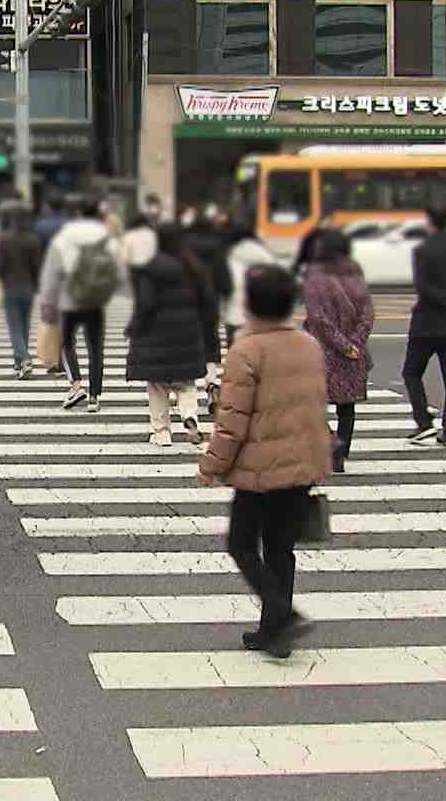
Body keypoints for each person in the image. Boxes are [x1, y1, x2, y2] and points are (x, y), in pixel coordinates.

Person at [198, 264, 331, 659]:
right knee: (280, 548)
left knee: (241, 543)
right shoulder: (308, 345)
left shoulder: (247, 350)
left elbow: (232, 421)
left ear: (250, 305)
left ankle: (282, 616)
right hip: (302, 463)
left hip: (259, 469)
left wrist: (212, 465)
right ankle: (274, 632)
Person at [127, 223, 221, 447]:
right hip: (188, 334)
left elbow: (144, 304)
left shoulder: (150, 268)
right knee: (186, 383)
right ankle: (190, 416)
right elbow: (209, 302)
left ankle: (162, 433)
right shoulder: (193, 266)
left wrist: (134, 328)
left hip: (155, 336)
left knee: (157, 386)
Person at [37, 196, 123, 413]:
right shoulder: (106, 236)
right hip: (95, 301)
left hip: (69, 299)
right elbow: (118, 269)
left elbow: (52, 270)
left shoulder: (66, 235)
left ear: (77, 213)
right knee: (96, 348)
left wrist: (48, 299)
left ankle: (76, 384)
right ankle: (94, 397)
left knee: (66, 343)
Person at [301, 229, 375, 473]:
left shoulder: (314, 276)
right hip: (353, 353)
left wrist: (342, 344)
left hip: (322, 351)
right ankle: (340, 455)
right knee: (347, 407)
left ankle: (332, 443)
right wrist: (354, 344)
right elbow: (367, 313)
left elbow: (318, 318)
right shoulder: (355, 273)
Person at [404, 204, 446, 447]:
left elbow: (422, 286)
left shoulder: (422, 250)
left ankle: (423, 421)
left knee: (411, 372)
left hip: (425, 324)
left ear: (429, 222)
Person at [0, 206, 44, 378]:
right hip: (28, 286)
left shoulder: (4, 238)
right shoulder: (33, 239)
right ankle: (19, 360)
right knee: (24, 324)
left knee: (14, 326)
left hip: (10, 285)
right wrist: (36, 284)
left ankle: (24, 359)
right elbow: (37, 266)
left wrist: (3, 278)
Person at [222, 221, 278, 350]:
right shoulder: (263, 253)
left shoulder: (228, 254)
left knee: (236, 349)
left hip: (234, 311)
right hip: (260, 311)